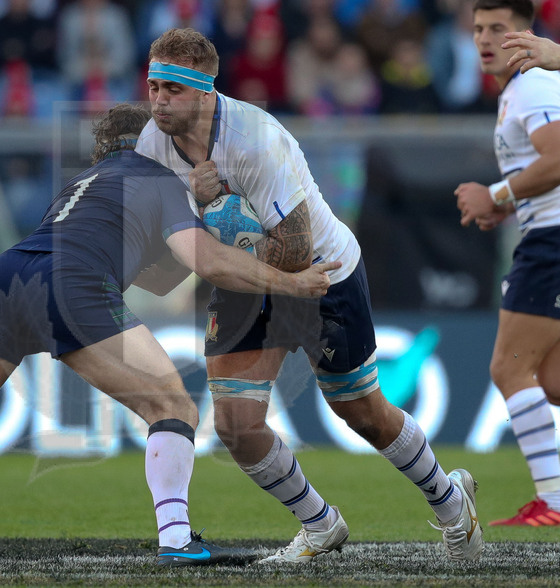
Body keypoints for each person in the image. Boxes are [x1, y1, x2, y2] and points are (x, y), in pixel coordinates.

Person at [0, 103, 338, 570]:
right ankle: (177, 540)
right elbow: (207, 261)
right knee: (173, 406)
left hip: (4, 278)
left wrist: (189, 206)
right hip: (74, 284)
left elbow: (150, 273)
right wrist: (290, 280)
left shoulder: (81, 186)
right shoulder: (157, 178)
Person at [135, 27, 483, 563]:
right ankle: (321, 524)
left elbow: (296, 248)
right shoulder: (150, 147)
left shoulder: (255, 140)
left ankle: (450, 500)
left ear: (205, 91)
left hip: (322, 273)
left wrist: (214, 233)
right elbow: (160, 255)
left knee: (361, 410)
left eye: (172, 89)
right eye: (153, 85)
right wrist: (194, 208)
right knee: (235, 426)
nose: (158, 100)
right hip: (242, 279)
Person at [455, 0, 560, 527]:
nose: (484, 38)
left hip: (552, 242)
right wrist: (508, 202)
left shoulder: (535, 85)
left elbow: (559, 159)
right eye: (478, 29)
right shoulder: (521, 91)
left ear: (527, 32)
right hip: (546, 232)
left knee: (508, 368)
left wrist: (496, 195)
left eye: (498, 27)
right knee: (553, 380)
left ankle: (555, 502)